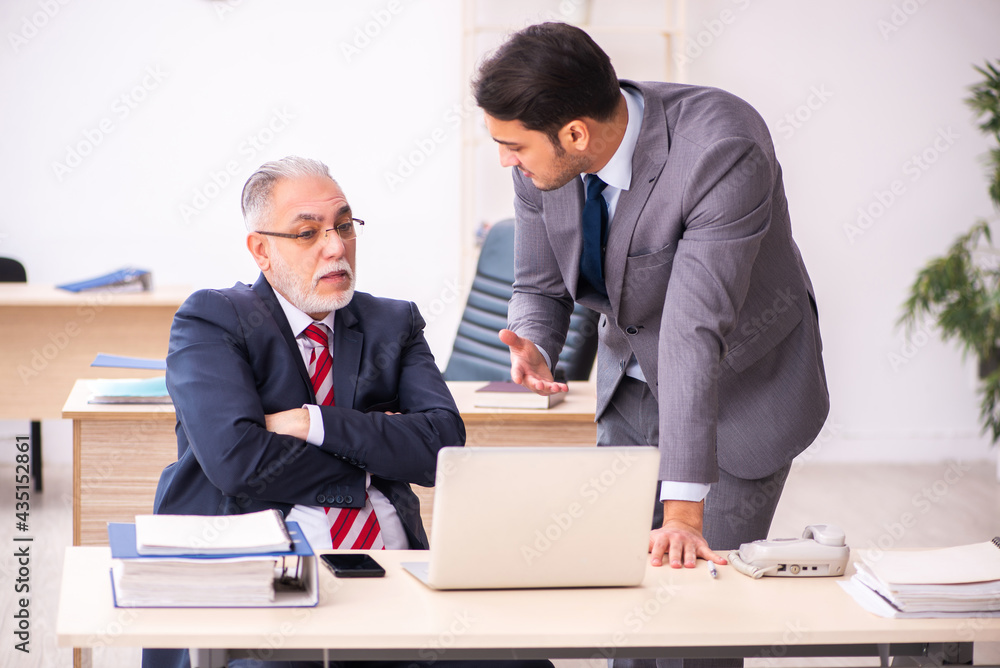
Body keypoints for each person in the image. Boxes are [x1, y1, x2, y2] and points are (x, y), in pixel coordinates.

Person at [474, 23, 830, 665]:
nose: (506, 161)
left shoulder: (722, 148)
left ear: (575, 133)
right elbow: (538, 283)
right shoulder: (543, 160)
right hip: (631, 381)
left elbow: (695, 331)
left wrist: (684, 508)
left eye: (513, 146)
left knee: (698, 618)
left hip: (739, 392)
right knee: (629, 607)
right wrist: (534, 339)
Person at [143, 156, 552, 668]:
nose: (336, 247)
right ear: (261, 250)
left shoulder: (392, 322)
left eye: (343, 226)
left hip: (395, 582)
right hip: (272, 583)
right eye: (308, 233)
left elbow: (443, 447)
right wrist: (379, 450)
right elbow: (236, 461)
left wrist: (311, 422)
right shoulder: (213, 319)